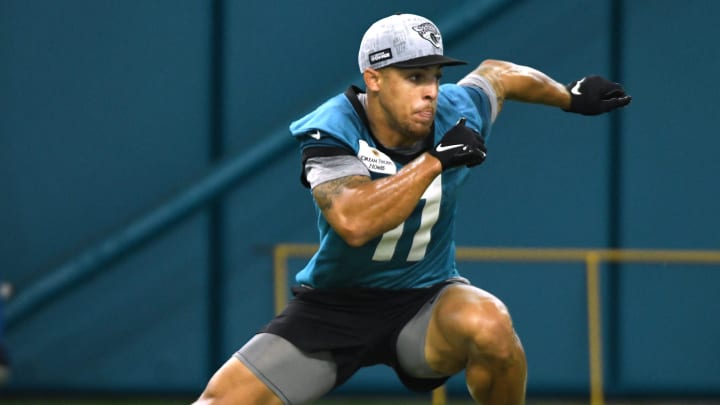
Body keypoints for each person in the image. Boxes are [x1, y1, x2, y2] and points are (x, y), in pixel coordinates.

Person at [194, 13, 630, 405]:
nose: (431, 93)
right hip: (334, 308)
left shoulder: (457, 111)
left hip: (425, 299)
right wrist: (434, 161)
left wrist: (567, 97)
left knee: (491, 325)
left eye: (435, 77)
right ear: (375, 78)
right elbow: (354, 221)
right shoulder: (332, 128)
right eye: (415, 77)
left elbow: (500, 75)